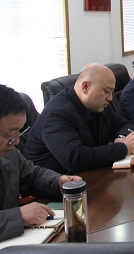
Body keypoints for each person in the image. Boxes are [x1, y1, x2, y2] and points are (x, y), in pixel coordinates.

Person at [23, 64, 134, 174]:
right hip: (53, 186)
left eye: (112, 92)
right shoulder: (57, 114)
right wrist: (123, 148)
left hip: (88, 175)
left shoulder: (98, 104)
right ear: (85, 87)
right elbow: (75, 158)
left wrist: (120, 138)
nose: (110, 98)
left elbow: (124, 124)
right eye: (106, 91)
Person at [0, 84, 82, 242]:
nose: (16, 142)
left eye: (19, 132)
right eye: (10, 134)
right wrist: (18, 216)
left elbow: (32, 175)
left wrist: (58, 182)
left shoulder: (9, 153)